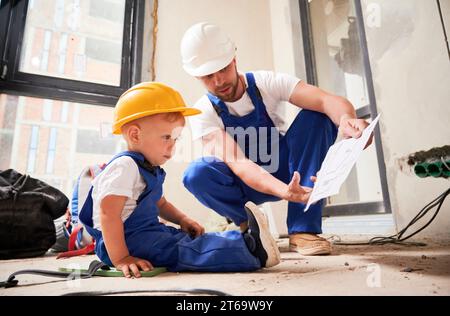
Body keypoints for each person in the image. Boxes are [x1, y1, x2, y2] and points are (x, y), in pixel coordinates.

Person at [181, 22, 374, 256]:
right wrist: (285, 192)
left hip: (288, 171)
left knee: (317, 116)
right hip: (245, 183)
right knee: (197, 174)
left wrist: (346, 120)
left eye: (222, 69)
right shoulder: (203, 112)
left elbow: (326, 100)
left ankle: (303, 231)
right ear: (197, 77)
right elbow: (240, 164)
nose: (219, 81)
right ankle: (251, 227)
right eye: (208, 76)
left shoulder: (266, 82)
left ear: (233, 60)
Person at [78, 82, 280, 277]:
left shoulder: (147, 168)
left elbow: (160, 204)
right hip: (125, 241)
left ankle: (245, 241)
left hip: (145, 233)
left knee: (185, 238)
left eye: (176, 139)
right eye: (166, 138)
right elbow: (108, 214)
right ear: (135, 135)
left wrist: (183, 220)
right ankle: (253, 251)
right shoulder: (124, 167)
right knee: (182, 249)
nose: (172, 146)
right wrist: (122, 258)